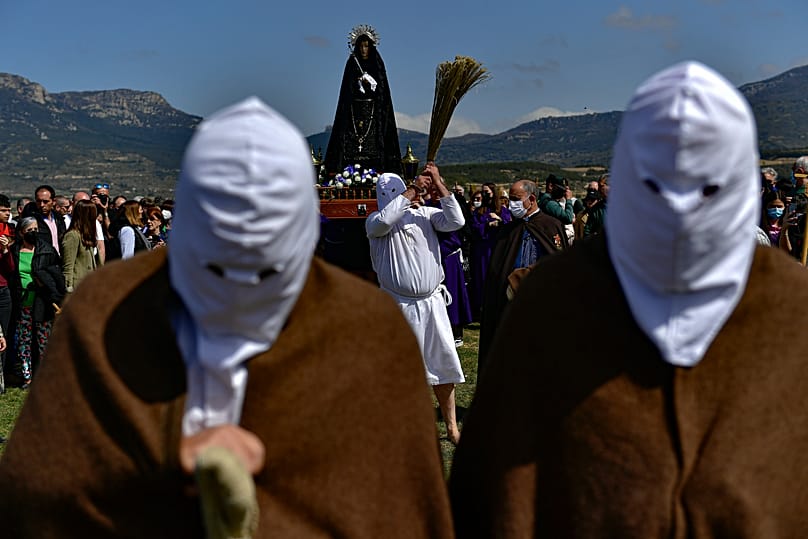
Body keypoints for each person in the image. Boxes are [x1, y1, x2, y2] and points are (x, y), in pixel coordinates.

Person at [0, 97, 454, 538]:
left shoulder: (362, 327)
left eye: (269, 264)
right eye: (217, 260)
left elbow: (397, 508)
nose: (243, 283)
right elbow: (44, 500)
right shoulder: (111, 311)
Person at [450, 61, 808, 537]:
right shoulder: (558, 301)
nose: (680, 210)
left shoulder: (793, 310)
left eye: (707, 187)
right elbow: (499, 488)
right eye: (657, 187)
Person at [366, 164, 466, 445]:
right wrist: (415, 189)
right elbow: (384, 222)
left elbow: (456, 220)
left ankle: (451, 427)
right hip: (399, 306)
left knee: (443, 365)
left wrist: (438, 184)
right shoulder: (376, 221)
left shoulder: (426, 215)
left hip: (431, 303)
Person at [477, 178, 568, 374]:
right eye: (509, 199)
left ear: (532, 198)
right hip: (510, 301)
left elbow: (560, 264)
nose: (511, 204)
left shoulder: (551, 225)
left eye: (516, 199)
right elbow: (497, 269)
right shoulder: (508, 230)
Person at [324, 24, 402, 175]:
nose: (363, 49)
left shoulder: (377, 64)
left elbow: (382, 91)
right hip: (354, 112)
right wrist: (357, 82)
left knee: (373, 146)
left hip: (373, 113)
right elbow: (346, 90)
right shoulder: (352, 63)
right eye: (361, 46)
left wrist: (371, 84)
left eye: (366, 46)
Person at [9, 216, 65, 387]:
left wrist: (45, 283)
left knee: (44, 340)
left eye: (35, 229)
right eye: (29, 230)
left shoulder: (46, 250)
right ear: (21, 233)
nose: (33, 233)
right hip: (22, 302)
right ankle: (27, 375)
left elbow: (57, 275)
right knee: (24, 340)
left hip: (43, 301)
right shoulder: (14, 251)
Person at [61, 200, 102, 294]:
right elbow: (68, 266)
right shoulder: (72, 236)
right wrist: (69, 289)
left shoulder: (87, 236)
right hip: (77, 287)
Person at [0, 195, 13, 393]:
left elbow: (9, 267)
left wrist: (5, 250)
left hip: (3, 288)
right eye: (3, 210)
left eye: (8, 209)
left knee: (3, 335)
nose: (7, 213)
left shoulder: (8, 230)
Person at [33, 184, 66, 255]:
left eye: (45, 202)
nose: (42, 205)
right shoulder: (32, 221)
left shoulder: (59, 219)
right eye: (39, 201)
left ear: (53, 202)